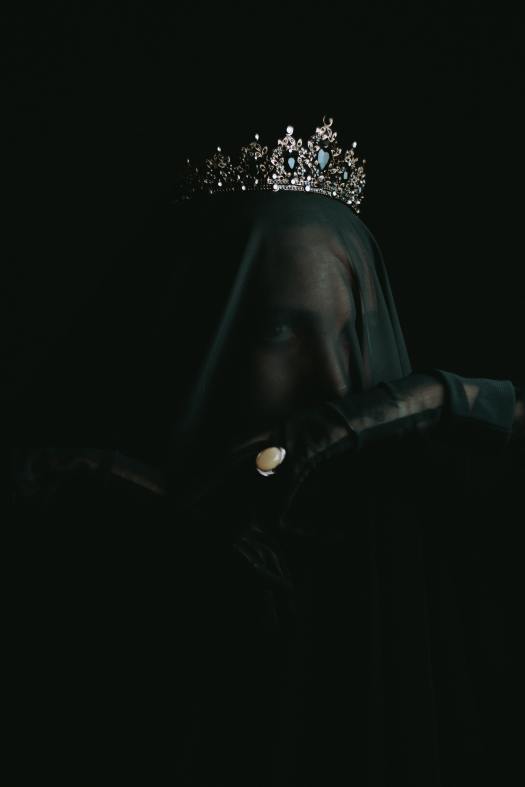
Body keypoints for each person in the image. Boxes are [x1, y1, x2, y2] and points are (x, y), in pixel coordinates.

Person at [7, 118, 524, 786]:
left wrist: (425, 399)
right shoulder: (81, 528)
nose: (333, 382)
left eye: (352, 332)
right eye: (280, 329)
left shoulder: (407, 509)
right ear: (202, 333)